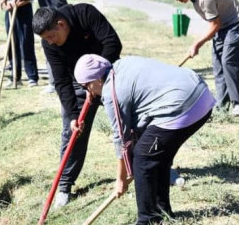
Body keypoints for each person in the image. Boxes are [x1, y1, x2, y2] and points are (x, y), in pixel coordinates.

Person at [74, 54, 215, 225]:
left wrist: (121, 179)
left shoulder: (113, 93)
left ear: (97, 79)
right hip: (202, 95)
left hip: (183, 105)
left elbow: (122, 141)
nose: (89, 92)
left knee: (142, 159)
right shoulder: (122, 65)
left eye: (86, 86)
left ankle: (147, 220)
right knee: (156, 156)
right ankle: (162, 212)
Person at [32, 4, 122, 207]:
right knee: (73, 131)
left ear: (61, 24)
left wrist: (98, 77)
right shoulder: (50, 45)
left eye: (51, 37)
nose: (50, 43)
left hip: (108, 72)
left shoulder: (85, 14)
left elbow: (113, 43)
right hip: (77, 82)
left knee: (130, 121)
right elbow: (61, 80)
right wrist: (73, 114)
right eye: (45, 40)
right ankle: (64, 186)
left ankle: (157, 167)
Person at [168, 0, 239, 116]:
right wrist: (201, 41)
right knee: (218, 65)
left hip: (235, 23)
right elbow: (214, 24)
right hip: (222, 26)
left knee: (228, 62)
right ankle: (221, 107)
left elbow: (215, 24)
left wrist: (197, 44)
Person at [5, 0, 68, 94]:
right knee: (59, 46)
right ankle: (62, 81)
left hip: (53, 13)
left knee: (50, 45)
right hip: (59, 10)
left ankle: (55, 83)